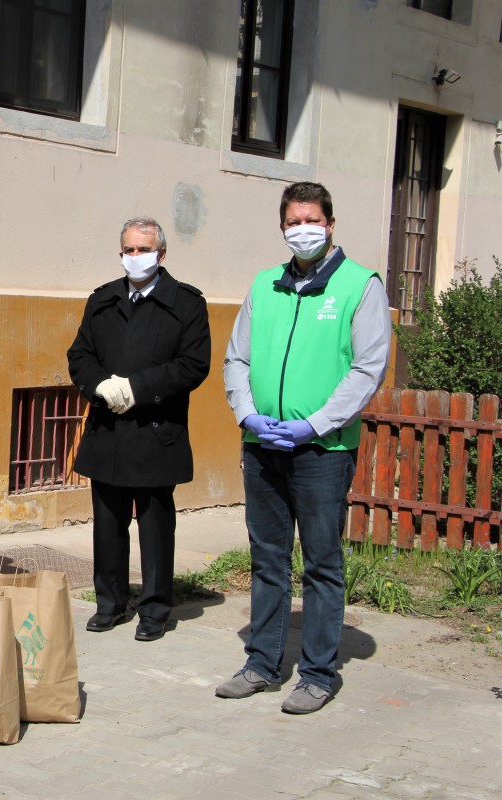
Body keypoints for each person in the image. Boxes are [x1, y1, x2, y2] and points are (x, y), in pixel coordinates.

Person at [218, 181, 391, 714]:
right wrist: (246, 412)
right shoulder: (264, 284)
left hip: (323, 451)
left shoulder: (361, 285)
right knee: (267, 558)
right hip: (263, 445)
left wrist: (314, 424)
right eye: (293, 222)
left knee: (321, 561)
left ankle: (317, 673)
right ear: (282, 228)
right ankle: (262, 663)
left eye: (312, 219)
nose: (303, 230)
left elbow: (368, 368)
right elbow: (237, 359)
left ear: (331, 224)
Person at [67, 218, 211, 642]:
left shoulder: (186, 303)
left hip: (155, 431)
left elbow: (192, 365)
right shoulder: (103, 299)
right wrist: (101, 386)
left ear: (161, 254)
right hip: (107, 429)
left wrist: (138, 388)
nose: (135, 257)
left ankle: (154, 609)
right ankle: (109, 603)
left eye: (143, 249)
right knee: (107, 524)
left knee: (154, 527)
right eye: (128, 249)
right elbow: (80, 355)